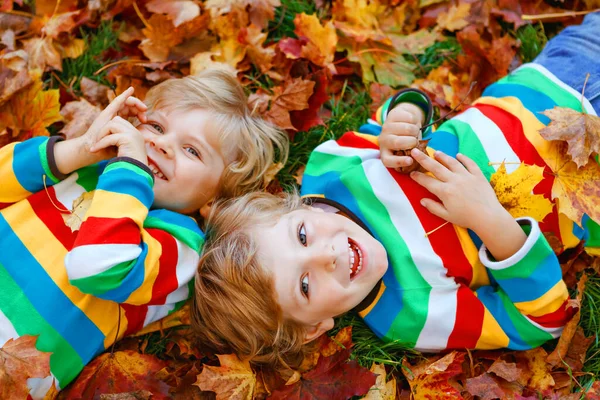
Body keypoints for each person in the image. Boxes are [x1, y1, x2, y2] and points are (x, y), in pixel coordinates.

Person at [190, 12, 600, 370]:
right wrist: (488, 220)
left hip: (557, 79)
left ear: (289, 206)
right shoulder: (409, 316)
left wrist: (403, 118)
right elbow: (542, 321)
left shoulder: (332, 168)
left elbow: (403, 109)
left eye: (301, 235)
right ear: (314, 329)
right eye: (305, 285)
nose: (326, 255)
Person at [0, 69, 288, 397]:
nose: (160, 144)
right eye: (155, 126)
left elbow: (98, 270)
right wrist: (78, 150)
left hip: (12, 361)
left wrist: (132, 171)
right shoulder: (92, 169)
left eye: (192, 151)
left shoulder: (180, 245)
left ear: (215, 199)